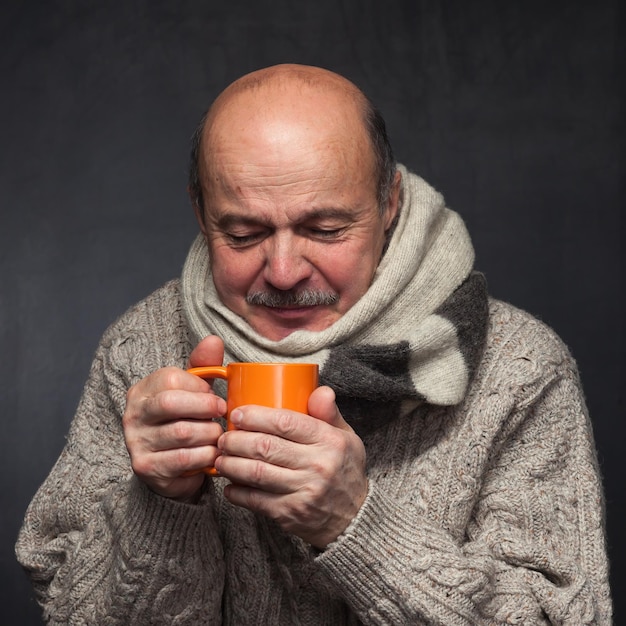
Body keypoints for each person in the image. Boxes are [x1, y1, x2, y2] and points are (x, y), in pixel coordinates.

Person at [16, 64, 612, 625]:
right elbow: (66, 606)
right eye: (243, 233)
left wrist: (357, 524)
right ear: (201, 213)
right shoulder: (141, 348)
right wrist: (161, 504)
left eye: (324, 230)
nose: (281, 271)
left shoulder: (519, 368)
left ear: (389, 204)